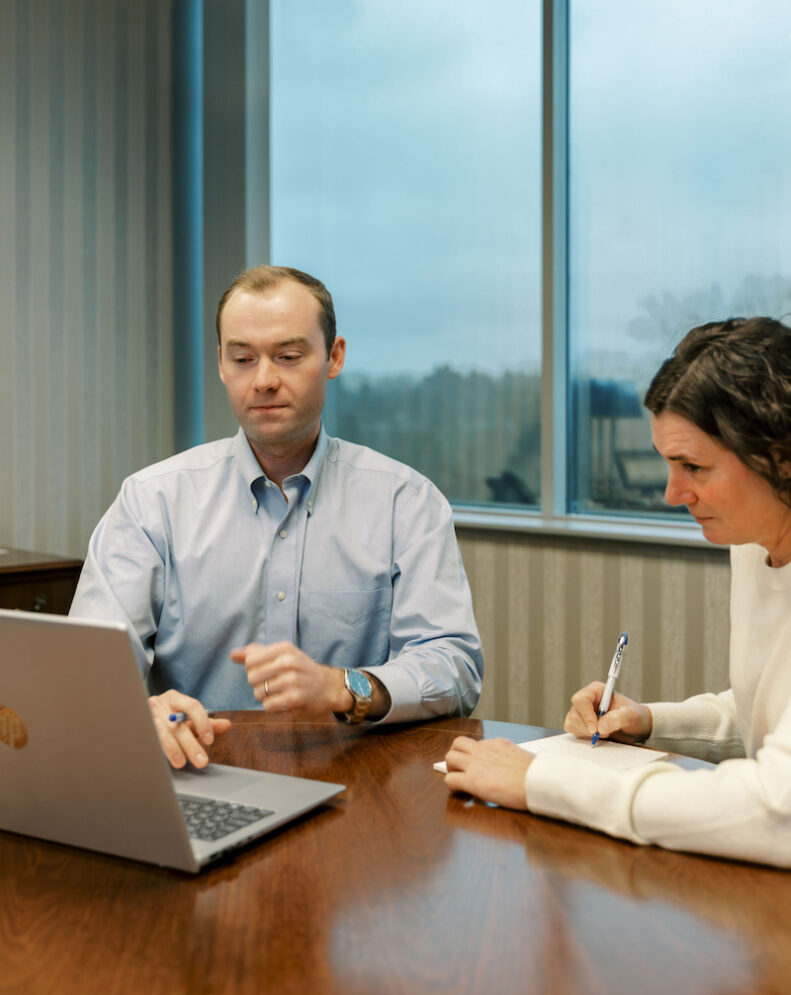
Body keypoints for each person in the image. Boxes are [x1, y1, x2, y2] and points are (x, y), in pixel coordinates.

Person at [71, 265, 483, 769]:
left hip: (357, 784)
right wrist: (140, 712)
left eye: (288, 357)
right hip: (202, 775)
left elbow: (454, 668)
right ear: (221, 365)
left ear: (334, 357)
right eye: (242, 359)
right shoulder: (150, 502)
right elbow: (87, 672)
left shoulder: (406, 502)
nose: (264, 380)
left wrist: (343, 686)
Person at [444, 316, 791, 868]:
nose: (674, 494)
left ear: (780, 457)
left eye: (694, 467)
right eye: (669, 466)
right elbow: (769, 719)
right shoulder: (752, 542)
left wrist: (545, 783)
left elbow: (779, 810)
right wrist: (650, 721)